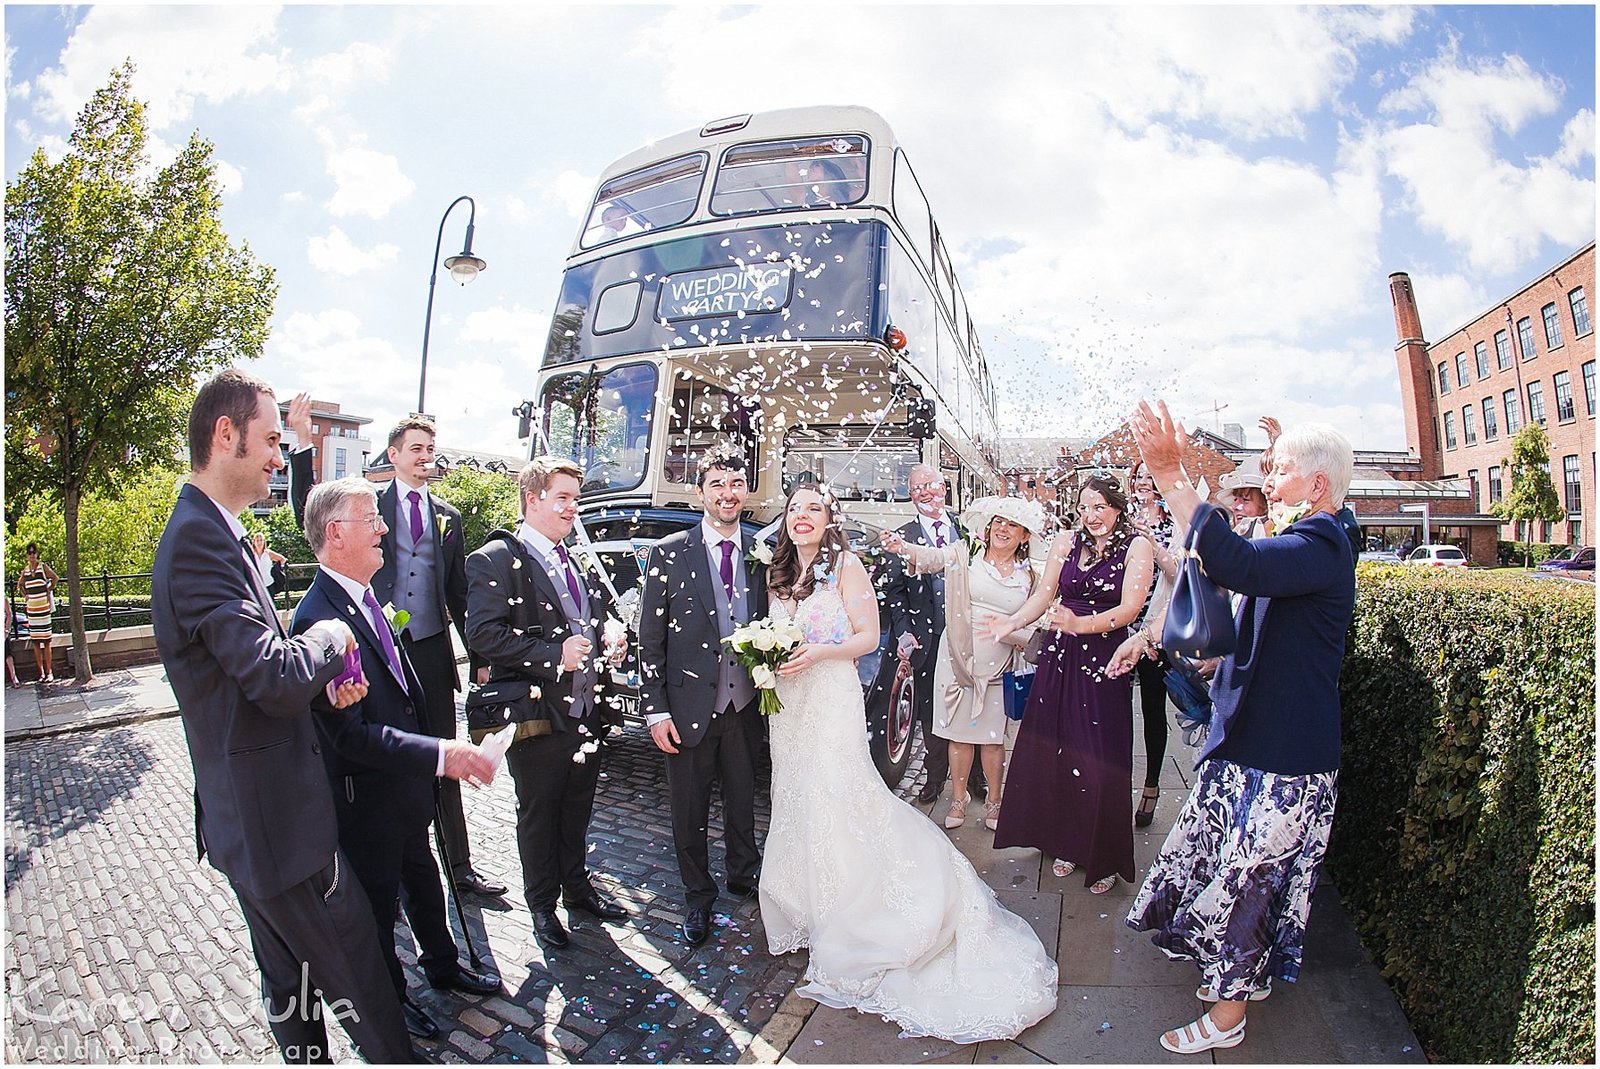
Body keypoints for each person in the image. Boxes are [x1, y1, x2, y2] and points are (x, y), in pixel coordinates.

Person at [152, 368, 413, 1064]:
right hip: (281, 830)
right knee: (359, 975)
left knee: (290, 991)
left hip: (255, 826)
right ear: (224, 434)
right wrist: (332, 636)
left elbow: (244, 676)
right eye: (271, 441)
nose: (278, 454)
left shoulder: (214, 530)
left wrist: (319, 685)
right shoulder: (201, 540)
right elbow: (270, 672)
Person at [759, 483, 1057, 1042]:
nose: (802, 518)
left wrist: (819, 652)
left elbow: (867, 636)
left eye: (813, 510)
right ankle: (804, 897)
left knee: (838, 792)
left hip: (829, 697)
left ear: (828, 519)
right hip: (790, 704)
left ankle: (852, 900)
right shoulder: (777, 570)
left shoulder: (845, 564)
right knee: (796, 793)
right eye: (794, 508)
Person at [1111, 401, 1356, 1056]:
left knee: (1251, 878)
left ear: (1319, 485)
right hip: (1259, 743)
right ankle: (1243, 975)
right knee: (1235, 864)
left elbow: (1236, 561)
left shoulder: (1325, 542)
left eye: (1280, 470)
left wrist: (1169, 473)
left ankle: (1229, 1015)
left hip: (1289, 755)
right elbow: (1268, 612)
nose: (1268, 478)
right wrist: (1219, 654)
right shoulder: (1312, 541)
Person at [291, 479, 503, 1042]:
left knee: (424, 876)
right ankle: (390, 997)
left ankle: (443, 964)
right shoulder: (319, 621)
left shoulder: (363, 594)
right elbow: (351, 737)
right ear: (336, 535)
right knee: (379, 909)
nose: (384, 527)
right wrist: (441, 753)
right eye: (371, 519)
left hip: (404, 790)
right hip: (368, 799)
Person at [289, 404, 504, 901]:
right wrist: (303, 444)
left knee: (446, 757)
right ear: (394, 455)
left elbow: (458, 592)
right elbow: (314, 510)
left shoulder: (447, 517)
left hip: (429, 653)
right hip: (374, 652)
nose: (426, 456)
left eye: (431, 448)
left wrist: (480, 655)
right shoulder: (369, 506)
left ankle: (460, 869)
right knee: (388, 761)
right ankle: (400, 866)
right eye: (416, 449)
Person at [464, 456, 630, 951]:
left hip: (586, 711)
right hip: (537, 714)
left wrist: (611, 634)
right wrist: (552, 655)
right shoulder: (493, 558)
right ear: (532, 500)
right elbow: (483, 635)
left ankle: (577, 888)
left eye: (575, 500)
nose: (572, 509)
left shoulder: (574, 556)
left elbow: (596, 615)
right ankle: (541, 905)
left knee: (578, 806)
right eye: (563, 499)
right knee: (539, 811)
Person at [985, 474, 1154, 895]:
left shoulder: (1138, 547)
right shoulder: (1065, 542)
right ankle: (1064, 840)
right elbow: (1045, 596)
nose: (1091, 515)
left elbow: (1131, 610)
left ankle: (1103, 854)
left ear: (1118, 507)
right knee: (1056, 748)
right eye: (1084, 507)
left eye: (1099, 507)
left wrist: (1082, 624)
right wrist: (1014, 620)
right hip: (1060, 655)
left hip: (1106, 657)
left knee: (1099, 756)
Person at [637, 454, 766, 946]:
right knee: (687, 810)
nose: (727, 493)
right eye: (717, 484)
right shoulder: (669, 552)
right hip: (688, 706)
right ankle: (697, 896)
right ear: (700, 493)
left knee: (741, 799)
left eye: (736, 484)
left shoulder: (762, 551)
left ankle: (742, 872)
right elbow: (650, 638)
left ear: (746, 492)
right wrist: (656, 709)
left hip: (746, 703)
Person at [881, 495, 1048, 833]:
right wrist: (904, 548)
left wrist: (1009, 631)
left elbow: (1033, 625)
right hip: (957, 661)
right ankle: (957, 798)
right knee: (958, 737)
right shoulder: (965, 555)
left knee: (992, 739)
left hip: (1000, 666)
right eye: (998, 521)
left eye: (1011, 524)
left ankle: (995, 801)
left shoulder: (1031, 575)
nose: (1002, 529)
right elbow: (931, 558)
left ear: (1024, 536)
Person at [880, 463, 984, 805]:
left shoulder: (967, 530)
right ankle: (935, 775)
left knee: (973, 705)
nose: (925, 492)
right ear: (911, 496)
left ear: (945, 488)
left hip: (968, 636)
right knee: (929, 710)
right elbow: (895, 591)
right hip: (927, 638)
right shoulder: (902, 537)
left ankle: (976, 777)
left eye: (931, 485)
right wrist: (904, 633)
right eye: (917, 488)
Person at [1127, 460, 1180, 829]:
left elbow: (1179, 574)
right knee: (1110, 712)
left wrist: (1151, 542)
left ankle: (1151, 786)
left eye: (1151, 477)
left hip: (1154, 635)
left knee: (1152, 712)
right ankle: (1109, 784)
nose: (1144, 482)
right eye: (1139, 476)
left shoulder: (1174, 525)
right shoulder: (1119, 518)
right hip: (1116, 631)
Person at [17, 543, 58, 683]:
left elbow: (55, 578)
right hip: (32, 610)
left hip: (43, 609)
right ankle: (41, 673)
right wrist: (25, 595)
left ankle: (49, 672)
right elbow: (20, 585)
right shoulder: (25, 571)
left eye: (34, 553)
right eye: (29, 553)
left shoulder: (43, 567)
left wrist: (49, 589)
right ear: (27, 555)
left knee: (46, 641)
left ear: (37, 554)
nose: (32, 555)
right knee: (36, 642)